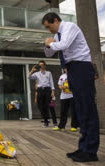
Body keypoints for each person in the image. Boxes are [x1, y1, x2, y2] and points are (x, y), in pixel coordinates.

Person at [43, 12, 99, 162]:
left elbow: (64, 45)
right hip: (72, 69)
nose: (50, 31)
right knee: (80, 109)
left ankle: (91, 151)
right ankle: (83, 147)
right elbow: (49, 54)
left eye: (49, 27)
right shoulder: (57, 35)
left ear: (55, 20)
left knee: (87, 107)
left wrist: (50, 43)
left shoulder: (69, 27)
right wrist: (47, 44)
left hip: (82, 67)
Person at [28, 61, 56, 127]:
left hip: (47, 90)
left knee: (50, 106)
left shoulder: (48, 73)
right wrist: (32, 70)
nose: (41, 66)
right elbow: (28, 77)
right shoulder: (36, 74)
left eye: (42, 65)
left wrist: (53, 92)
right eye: (39, 65)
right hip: (40, 90)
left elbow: (51, 82)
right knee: (42, 106)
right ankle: (46, 122)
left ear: (44, 66)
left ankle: (55, 122)